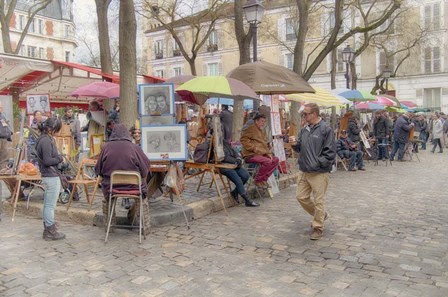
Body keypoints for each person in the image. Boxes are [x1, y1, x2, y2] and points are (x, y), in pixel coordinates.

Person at [94, 124, 151, 234]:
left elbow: (98, 170)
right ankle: (145, 227)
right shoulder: (134, 147)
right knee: (142, 195)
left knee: (107, 199)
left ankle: (109, 226)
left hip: (111, 187)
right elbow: (145, 169)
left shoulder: (106, 147)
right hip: (134, 187)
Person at [291, 103, 336, 240]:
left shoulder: (326, 129)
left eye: (306, 113)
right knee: (301, 197)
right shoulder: (305, 129)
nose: (303, 116)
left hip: (318, 172)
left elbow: (330, 153)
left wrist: (316, 163)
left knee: (319, 201)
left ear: (314, 114)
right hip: (304, 170)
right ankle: (321, 215)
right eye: (303, 113)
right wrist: (295, 144)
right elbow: (301, 148)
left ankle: (318, 227)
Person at [34, 118, 66, 240]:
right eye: (57, 130)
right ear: (50, 129)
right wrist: (60, 158)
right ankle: (49, 230)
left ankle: (49, 227)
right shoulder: (45, 141)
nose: (58, 132)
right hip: (50, 175)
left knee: (49, 204)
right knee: (50, 205)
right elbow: (47, 161)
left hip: (49, 175)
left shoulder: (45, 139)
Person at [240, 113, 279, 189]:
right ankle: (258, 180)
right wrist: (254, 148)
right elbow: (243, 140)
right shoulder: (250, 129)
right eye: (262, 121)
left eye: (264, 122)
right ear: (256, 121)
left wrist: (268, 153)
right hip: (250, 154)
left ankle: (263, 179)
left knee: (275, 160)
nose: (263, 123)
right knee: (267, 161)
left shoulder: (262, 131)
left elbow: (264, 144)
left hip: (261, 154)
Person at [218, 141, 259, 207]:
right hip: (224, 166)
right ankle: (247, 200)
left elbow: (234, 152)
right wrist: (235, 161)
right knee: (238, 180)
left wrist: (238, 159)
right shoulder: (216, 142)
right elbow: (223, 158)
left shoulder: (225, 142)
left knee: (245, 175)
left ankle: (235, 192)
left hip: (235, 164)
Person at [0, 101, 13, 167]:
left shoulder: (3, 116)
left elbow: (6, 126)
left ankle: (2, 173)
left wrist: (10, 133)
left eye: (1, 107)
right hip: (1, 139)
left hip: (4, 140)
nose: (1, 109)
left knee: (4, 160)